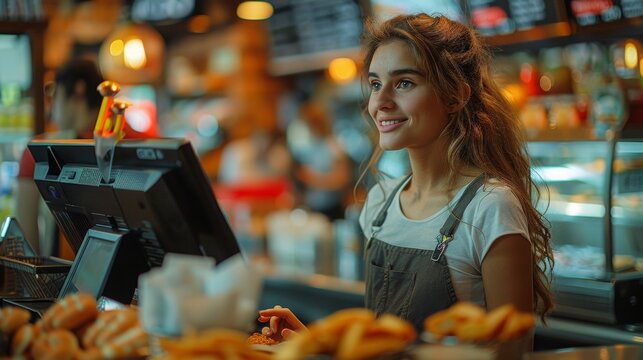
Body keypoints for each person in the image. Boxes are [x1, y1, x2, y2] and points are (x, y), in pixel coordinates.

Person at [258, 13, 554, 359]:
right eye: (374, 84)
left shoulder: (490, 206)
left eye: (404, 83)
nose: (380, 102)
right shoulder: (380, 203)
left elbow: (514, 352)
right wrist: (312, 344)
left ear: (455, 96)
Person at [14, 58, 104, 257]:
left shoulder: (38, 150)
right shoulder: (125, 141)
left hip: (62, 276)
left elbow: (26, 238)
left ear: (78, 91)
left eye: (56, 96)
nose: (51, 110)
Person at [288, 101, 352, 220]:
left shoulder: (334, 146)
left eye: (312, 123)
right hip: (312, 206)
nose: (310, 127)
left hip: (333, 207)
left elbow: (342, 179)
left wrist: (313, 179)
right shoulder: (307, 146)